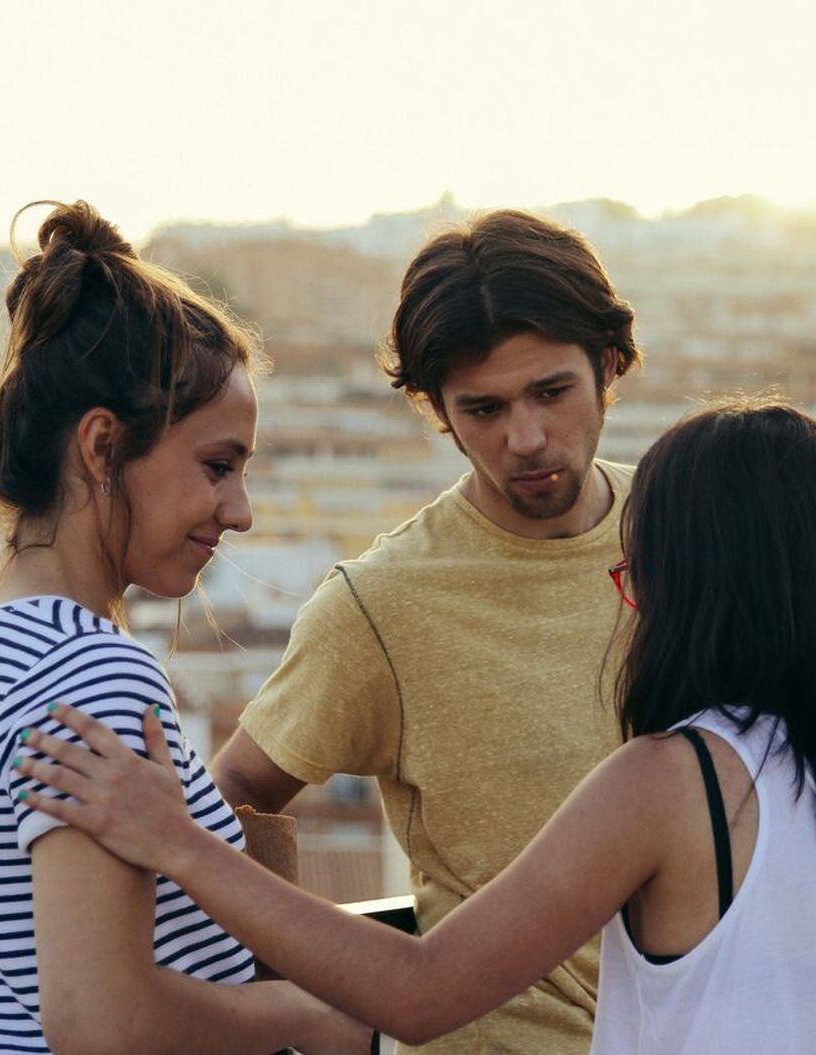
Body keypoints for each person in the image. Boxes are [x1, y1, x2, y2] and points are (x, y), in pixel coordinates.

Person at [19, 396, 816, 1053]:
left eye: (633, 570)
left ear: (686, 584)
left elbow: (421, 992)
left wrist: (177, 842)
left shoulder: (672, 782)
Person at [0, 200, 369, 1055]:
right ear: (102, 448)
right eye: (217, 466)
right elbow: (103, 1023)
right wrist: (312, 1016)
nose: (240, 511)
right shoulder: (88, 668)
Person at [207, 210, 640, 1052]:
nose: (525, 438)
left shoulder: (688, 533)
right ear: (437, 410)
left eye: (552, 392)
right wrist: (294, 1008)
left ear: (610, 364)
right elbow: (234, 798)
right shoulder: (380, 603)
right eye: (483, 408)